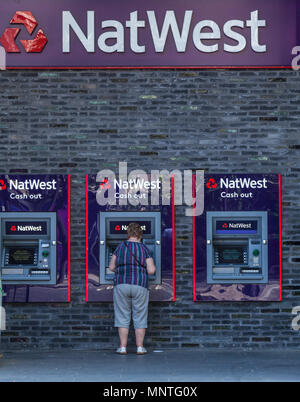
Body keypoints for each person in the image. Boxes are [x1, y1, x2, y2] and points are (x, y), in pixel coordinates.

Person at [109, 222, 156, 355]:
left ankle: (122, 347)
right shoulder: (144, 249)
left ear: (127, 234)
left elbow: (111, 267)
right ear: (140, 235)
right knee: (140, 316)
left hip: (121, 284)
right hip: (139, 284)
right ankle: (140, 347)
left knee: (122, 316)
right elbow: (151, 270)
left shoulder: (120, 247)